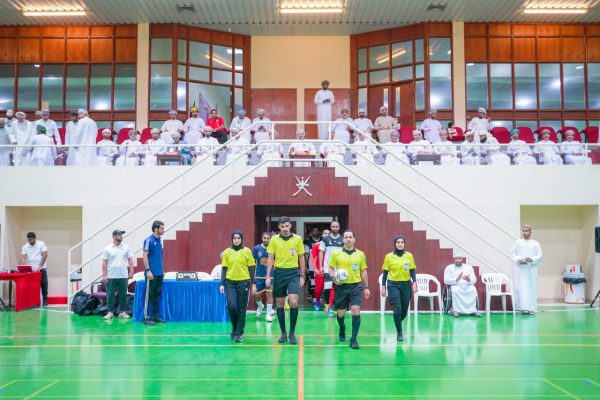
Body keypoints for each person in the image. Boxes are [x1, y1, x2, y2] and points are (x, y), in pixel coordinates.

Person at [265, 216, 306, 345]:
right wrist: (268, 276)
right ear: (279, 227)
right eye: (282, 227)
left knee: (293, 301)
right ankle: (283, 333)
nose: (285, 229)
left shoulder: (297, 239)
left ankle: (292, 332)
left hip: (293, 273)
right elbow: (270, 258)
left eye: (287, 226)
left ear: (290, 226)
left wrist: (302, 275)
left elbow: (301, 258)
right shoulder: (274, 240)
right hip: (279, 273)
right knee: (280, 303)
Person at [329, 229, 370, 350]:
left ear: (354, 239)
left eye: (350, 237)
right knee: (340, 313)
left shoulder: (360, 254)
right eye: (346, 237)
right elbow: (330, 268)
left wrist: (366, 287)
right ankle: (342, 327)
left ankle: (353, 339)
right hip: (341, 287)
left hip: (355, 286)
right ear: (342, 240)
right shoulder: (336, 254)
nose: (348, 239)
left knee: (355, 310)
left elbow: (363, 271)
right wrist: (334, 278)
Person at [220, 230, 256, 342]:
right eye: (234, 238)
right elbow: (224, 268)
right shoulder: (227, 252)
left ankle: (239, 332)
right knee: (231, 306)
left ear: (241, 239)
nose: (236, 240)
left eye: (238, 238)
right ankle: (235, 328)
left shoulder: (247, 251)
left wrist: (253, 284)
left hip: (243, 282)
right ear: (232, 239)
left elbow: (251, 268)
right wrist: (222, 283)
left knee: (241, 309)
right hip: (230, 283)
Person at [380, 235, 418, 341]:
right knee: (397, 309)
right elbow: (385, 272)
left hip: (406, 285)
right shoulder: (388, 256)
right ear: (395, 244)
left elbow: (412, 270)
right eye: (398, 242)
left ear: (404, 244)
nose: (400, 244)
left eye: (402, 242)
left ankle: (397, 322)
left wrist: (415, 282)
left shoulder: (409, 256)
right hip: (393, 285)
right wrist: (383, 286)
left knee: (404, 311)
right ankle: (399, 332)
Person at [510, 225, 542, 314]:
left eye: (526, 231)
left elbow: (539, 256)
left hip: (531, 270)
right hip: (520, 270)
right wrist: (518, 259)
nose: (524, 233)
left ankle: (531, 309)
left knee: (530, 288)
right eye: (523, 231)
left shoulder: (535, 243)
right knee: (519, 288)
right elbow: (512, 253)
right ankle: (519, 309)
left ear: (531, 232)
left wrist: (532, 259)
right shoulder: (517, 242)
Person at [102, 230, 134, 320]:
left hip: (123, 275)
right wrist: (105, 275)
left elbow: (130, 259)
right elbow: (104, 262)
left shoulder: (126, 247)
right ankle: (110, 312)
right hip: (111, 275)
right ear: (114, 236)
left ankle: (122, 312)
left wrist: (131, 271)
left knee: (123, 295)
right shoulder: (107, 248)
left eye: (121, 235)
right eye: (119, 235)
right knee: (110, 295)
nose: (121, 236)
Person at [143, 220, 166, 325]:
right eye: (162, 228)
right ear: (156, 229)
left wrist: (162, 270)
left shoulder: (160, 240)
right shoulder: (148, 240)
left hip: (159, 274)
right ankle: (146, 317)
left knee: (156, 295)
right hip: (151, 274)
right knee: (149, 296)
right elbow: (144, 256)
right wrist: (148, 271)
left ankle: (156, 316)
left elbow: (159, 257)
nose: (163, 230)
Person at [319, 221, 344, 317]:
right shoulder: (325, 239)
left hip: (339, 269)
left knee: (338, 289)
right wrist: (321, 266)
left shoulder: (342, 239)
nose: (335, 228)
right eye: (333, 226)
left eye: (337, 226)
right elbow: (321, 252)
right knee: (327, 288)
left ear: (339, 227)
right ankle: (327, 304)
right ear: (330, 227)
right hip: (327, 267)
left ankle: (336, 307)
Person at [20, 232, 48, 306]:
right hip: (31, 269)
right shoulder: (25, 246)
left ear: (35, 238)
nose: (30, 241)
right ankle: (33, 301)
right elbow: (23, 257)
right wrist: (21, 267)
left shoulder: (41, 244)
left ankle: (45, 299)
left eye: (31, 239)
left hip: (41, 268)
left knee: (44, 284)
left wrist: (40, 266)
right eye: (29, 240)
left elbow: (45, 254)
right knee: (32, 285)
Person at [253, 232, 275, 322]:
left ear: (270, 239)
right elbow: (252, 263)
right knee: (257, 296)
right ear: (262, 238)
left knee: (269, 294)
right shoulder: (257, 248)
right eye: (264, 238)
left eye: (268, 238)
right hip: (259, 276)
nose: (266, 240)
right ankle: (260, 306)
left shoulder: (273, 248)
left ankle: (268, 314)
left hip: (270, 276)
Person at [312, 228, 330, 311]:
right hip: (319, 271)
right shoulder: (317, 245)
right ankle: (317, 301)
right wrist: (315, 268)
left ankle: (328, 304)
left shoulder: (333, 245)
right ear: (322, 235)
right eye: (325, 233)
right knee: (318, 289)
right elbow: (313, 257)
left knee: (329, 288)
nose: (327, 235)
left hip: (329, 270)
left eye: (328, 233)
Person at [304, 228, 322, 307]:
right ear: (312, 232)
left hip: (321, 267)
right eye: (314, 231)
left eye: (317, 231)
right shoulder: (308, 242)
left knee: (321, 284)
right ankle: (315, 300)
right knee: (313, 284)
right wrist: (305, 265)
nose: (316, 232)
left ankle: (319, 298)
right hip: (312, 267)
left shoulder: (323, 241)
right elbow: (306, 254)